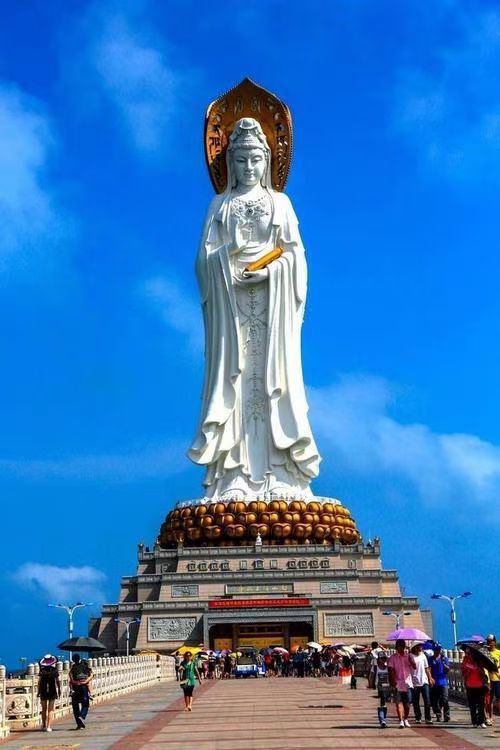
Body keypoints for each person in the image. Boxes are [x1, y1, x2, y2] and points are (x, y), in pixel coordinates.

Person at [388, 639, 416, 728]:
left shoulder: (408, 656)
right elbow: (390, 670)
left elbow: (414, 667)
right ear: (397, 647)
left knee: (407, 704)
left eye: (403, 646)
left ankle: (406, 719)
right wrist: (393, 682)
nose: (401, 648)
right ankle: (401, 720)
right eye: (400, 646)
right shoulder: (393, 658)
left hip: (408, 683)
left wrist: (411, 659)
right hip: (398, 683)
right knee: (398, 703)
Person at [461, 647, 489, 728]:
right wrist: (468, 671)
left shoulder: (479, 660)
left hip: (480, 685)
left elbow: (483, 673)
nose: (470, 654)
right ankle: (474, 722)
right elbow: (463, 672)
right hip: (470, 685)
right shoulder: (466, 659)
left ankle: (481, 721)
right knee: (472, 705)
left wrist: (479, 669)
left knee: (481, 704)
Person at [410, 643, 434, 724]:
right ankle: (418, 717)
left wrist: (430, 678)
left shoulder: (423, 655)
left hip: (424, 681)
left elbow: (426, 668)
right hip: (414, 682)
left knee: (427, 700)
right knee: (415, 701)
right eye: (419, 646)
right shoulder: (410, 656)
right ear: (415, 647)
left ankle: (428, 717)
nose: (421, 647)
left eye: (421, 646)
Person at [37, 655, 60, 732]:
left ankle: (43, 725)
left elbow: (39, 682)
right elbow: (57, 681)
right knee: (50, 709)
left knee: (44, 709)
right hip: (52, 690)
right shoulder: (54, 670)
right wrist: (59, 689)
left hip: (43, 690)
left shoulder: (42, 670)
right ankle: (49, 726)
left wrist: (38, 691)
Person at [69, 654, 93, 729]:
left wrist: (74, 682)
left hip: (75, 687)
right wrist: (85, 681)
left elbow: (70, 676)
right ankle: (82, 716)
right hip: (83, 687)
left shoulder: (73, 667)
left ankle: (79, 724)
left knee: (75, 706)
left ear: (73, 660)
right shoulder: (85, 666)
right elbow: (91, 675)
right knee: (85, 704)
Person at [428, 643, 450, 722]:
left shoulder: (444, 658)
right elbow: (428, 669)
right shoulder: (430, 659)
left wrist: (444, 665)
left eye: (439, 649)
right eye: (436, 649)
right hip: (434, 682)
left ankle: (446, 715)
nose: (438, 651)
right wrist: (430, 679)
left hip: (443, 682)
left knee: (445, 699)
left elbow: (447, 670)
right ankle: (438, 714)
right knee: (435, 700)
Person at [485, 634, 500, 726]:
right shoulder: (485, 653)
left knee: (498, 699)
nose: (489, 643)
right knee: (489, 700)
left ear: (494, 642)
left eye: (490, 641)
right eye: (488, 641)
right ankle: (490, 717)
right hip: (488, 679)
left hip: (497, 678)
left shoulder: (498, 652)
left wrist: (496, 667)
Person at [373, 654, 391, 728]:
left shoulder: (388, 668)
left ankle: (383, 720)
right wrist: (372, 685)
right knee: (381, 704)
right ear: (379, 659)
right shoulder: (375, 668)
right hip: (379, 688)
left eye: (384, 658)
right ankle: (382, 720)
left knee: (384, 704)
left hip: (387, 688)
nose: (383, 660)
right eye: (382, 658)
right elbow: (372, 676)